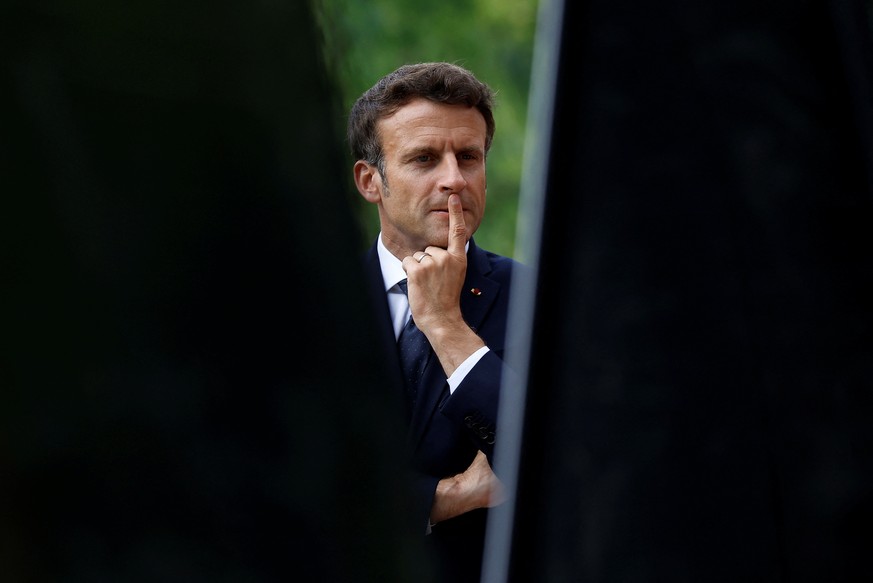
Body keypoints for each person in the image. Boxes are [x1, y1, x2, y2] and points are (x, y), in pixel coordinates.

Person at [348, 62, 519, 582]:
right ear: (370, 181)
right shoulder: (300, 304)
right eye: (424, 159)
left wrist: (446, 326)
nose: (453, 179)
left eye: (468, 157)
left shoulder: (536, 298)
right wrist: (438, 499)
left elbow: (558, 460)